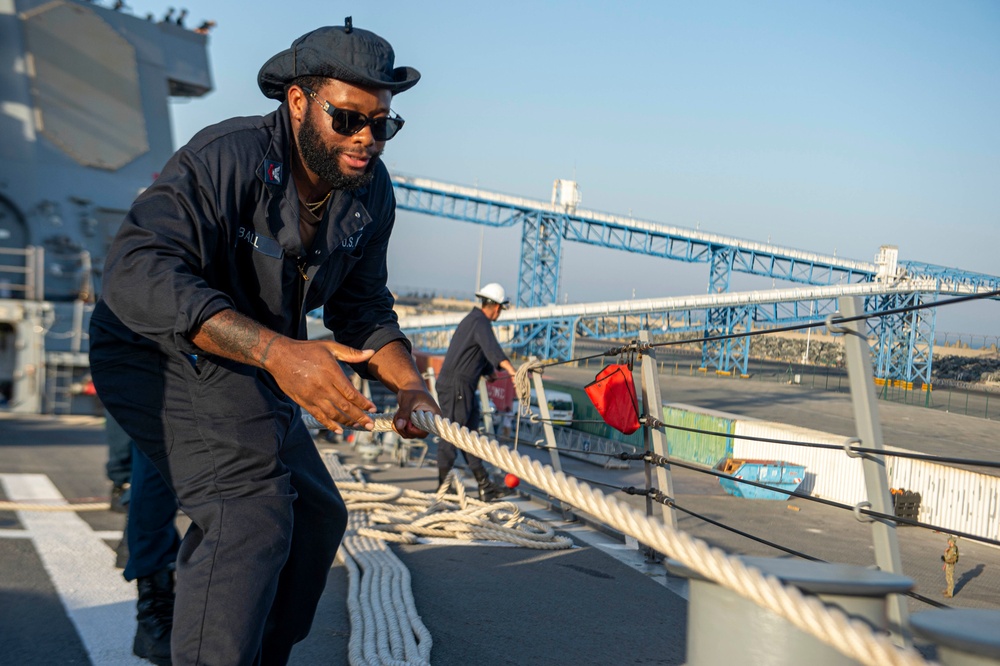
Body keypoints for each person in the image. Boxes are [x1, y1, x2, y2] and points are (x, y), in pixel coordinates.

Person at [89, 19, 439, 665]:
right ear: (298, 101)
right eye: (348, 119)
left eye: (382, 124)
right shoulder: (227, 156)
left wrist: (411, 383)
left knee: (316, 520)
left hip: (249, 359)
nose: (366, 138)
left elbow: (362, 307)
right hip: (151, 346)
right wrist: (280, 353)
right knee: (246, 509)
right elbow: (136, 269)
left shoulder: (369, 190)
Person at [436, 282, 517, 501]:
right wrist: (510, 370)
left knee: (470, 437)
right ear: (497, 307)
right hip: (457, 386)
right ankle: (442, 488)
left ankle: (485, 486)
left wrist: (489, 372)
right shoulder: (479, 322)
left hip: (462, 386)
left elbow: (475, 352)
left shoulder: (473, 321)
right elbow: (491, 347)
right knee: (451, 435)